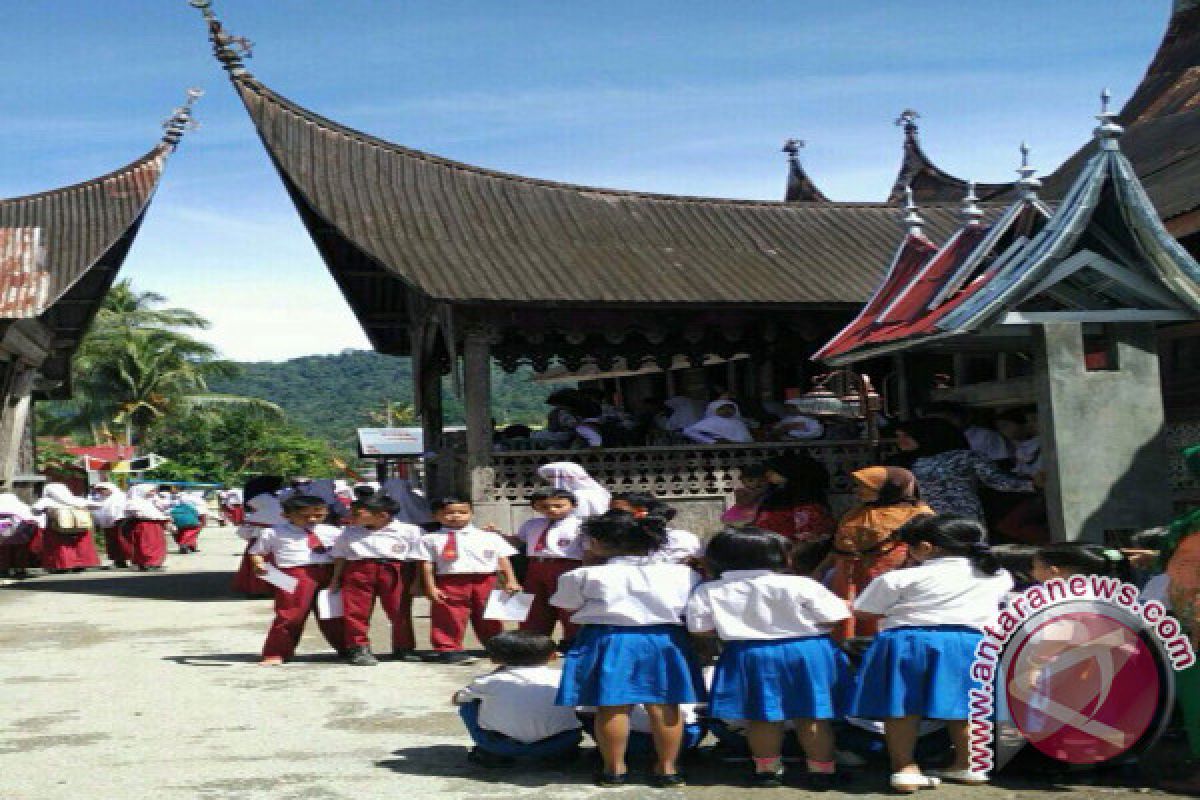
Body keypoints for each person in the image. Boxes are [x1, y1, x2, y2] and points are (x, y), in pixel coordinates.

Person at [851, 514, 1013, 792]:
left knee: (901, 707)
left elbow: (864, 610)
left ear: (926, 547)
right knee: (965, 707)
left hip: (906, 641)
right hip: (970, 642)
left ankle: (904, 769)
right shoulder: (997, 575)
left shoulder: (900, 577)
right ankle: (969, 764)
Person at [687, 528, 852, 788]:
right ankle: (821, 771)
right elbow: (833, 617)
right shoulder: (801, 584)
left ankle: (767, 771)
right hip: (807, 651)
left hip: (748, 654)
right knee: (813, 714)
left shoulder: (709, 590)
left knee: (761, 715)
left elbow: (699, 629)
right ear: (778, 556)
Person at [551, 510, 704, 787]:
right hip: (664, 640)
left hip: (608, 639)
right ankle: (668, 769)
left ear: (597, 541)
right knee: (666, 706)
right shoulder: (684, 574)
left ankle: (614, 769)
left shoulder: (583, 574)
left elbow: (568, 605)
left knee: (611, 706)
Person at [826, 467, 933, 639]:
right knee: (849, 620)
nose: (857, 491)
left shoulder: (919, 515)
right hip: (850, 575)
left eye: (866, 486)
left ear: (889, 488)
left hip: (891, 573)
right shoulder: (858, 512)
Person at [452, 631, 583, 768]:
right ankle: (561, 755)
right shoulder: (565, 678)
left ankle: (490, 753)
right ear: (553, 656)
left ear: (494, 659)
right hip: (559, 743)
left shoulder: (488, 681)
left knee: (469, 703)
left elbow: (457, 699)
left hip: (501, 745)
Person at [416, 497, 521, 664]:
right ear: (436, 516)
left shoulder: (489, 537)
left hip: (485, 579)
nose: (456, 516)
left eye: (462, 512)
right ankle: (448, 648)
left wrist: (511, 580)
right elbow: (427, 564)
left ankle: (495, 646)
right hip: (450, 580)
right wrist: (430, 587)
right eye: (448, 513)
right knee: (449, 615)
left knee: (489, 614)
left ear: (471, 514)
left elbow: (503, 559)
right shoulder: (430, 539)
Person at [247, 494, 346, 665]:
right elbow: (256, 552)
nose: (312, 519)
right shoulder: (274, 532)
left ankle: (347, 648)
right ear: (286, 515)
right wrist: (258, 564)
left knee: (333, 613)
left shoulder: (332, 532)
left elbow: (342, 554)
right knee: (290, 614)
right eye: (305, 516)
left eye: (318, 515)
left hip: (327, 572)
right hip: (293, 573)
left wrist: (337, 577)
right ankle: (276, 652)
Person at [329, 492, 424, 665]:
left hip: (395, 570)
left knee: (399, 610)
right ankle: (358, 648)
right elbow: (340, 556)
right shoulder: (349, 532)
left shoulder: (409, 531)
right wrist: (335, 579)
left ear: (382, 515)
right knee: (356, 611)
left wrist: (417, 582)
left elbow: (419, 558)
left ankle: (404, 647)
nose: (351, 517)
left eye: (357, 514)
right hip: (358, 570)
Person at [891, 417, 1034, 523]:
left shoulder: (966, 457)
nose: (900, 441)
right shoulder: (901, 462)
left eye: (907, 436)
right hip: (923, 519)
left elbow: (996, 480)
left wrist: (1032, 484)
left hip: (961, 518)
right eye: (898, 436)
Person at [515, 488, 585, 640]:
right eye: (545, 506)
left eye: (559, 505)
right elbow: (519, 541)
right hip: (535, 567)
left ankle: (573, 640)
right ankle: (534, 641)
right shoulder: (531, 524)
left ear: (573, 505)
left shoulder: (580, 526)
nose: (552, 510)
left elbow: (587, 550)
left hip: (566, 566)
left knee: (568, 605)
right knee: (535, 605)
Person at [752, 454, 836, 544]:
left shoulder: (806, 500)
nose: (767, 474)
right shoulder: (776, 495)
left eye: (774, 470)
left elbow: (809, 538)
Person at [609, 493, 702, 565]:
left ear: (642, 512)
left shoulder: (683, 539)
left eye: (616, 513)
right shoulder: (610, 547)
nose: (611, 518)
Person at [231, 476, 285, 596]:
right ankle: (277, 588)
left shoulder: (260, 499)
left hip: (260, 536)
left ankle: (260, 589)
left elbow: (245, 530)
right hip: (278, 536)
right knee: (274, 563)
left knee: (259, 563)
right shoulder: (275, 500)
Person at [34, 483, 101, 573]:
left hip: (57, 527)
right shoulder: (77, 499)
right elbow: (98, 506)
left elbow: (35, 510)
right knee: (80, 545)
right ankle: (81, 564)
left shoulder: (46, 501)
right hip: (80, 526)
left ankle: (62, 565)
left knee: (61, 546)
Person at [122, 484, 170, 571]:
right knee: (146, 545)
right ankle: (149, 563)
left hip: (153, 526)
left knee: (155, 544)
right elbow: (139, 514)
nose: (153, 493)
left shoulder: (148, 502)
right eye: (151, 491)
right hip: (145, 526)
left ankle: (151, 563)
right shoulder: (134, 502)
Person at [536, 462, 610, 518]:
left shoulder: (578, 496)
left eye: (550, 478)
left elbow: (577, 518)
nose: (551, 482)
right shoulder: (598, 491)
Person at [1030, 544, 1134, 583]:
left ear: (1053, 572)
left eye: (1034, 567)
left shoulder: (1054, 605)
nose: (1031, 572)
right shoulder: (1110, 600)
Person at [89, 482, 130, 568]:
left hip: (120, 521)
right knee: (111, 543)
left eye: (103, 489)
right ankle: (118, 561)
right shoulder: (101, 499)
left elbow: (121, 509)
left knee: (121, 541)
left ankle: (124, 559)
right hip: (107, 524)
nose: (101, 492)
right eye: (99, 490)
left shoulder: (120, 497)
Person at [0, 493, 39, 579]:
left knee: (3, 553)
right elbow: (32, 520)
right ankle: (20, 570)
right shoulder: (22, 507)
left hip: (2, 535)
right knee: (20, 552)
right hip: (19, 534)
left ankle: (3, 570)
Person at [682, 400, 753, 444]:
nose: (727, 410)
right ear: (714, 409)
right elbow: (688, 431)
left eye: (730, 408)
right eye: (722, 408)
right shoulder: (710, 421)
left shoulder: (738, 422)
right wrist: (712, 442)